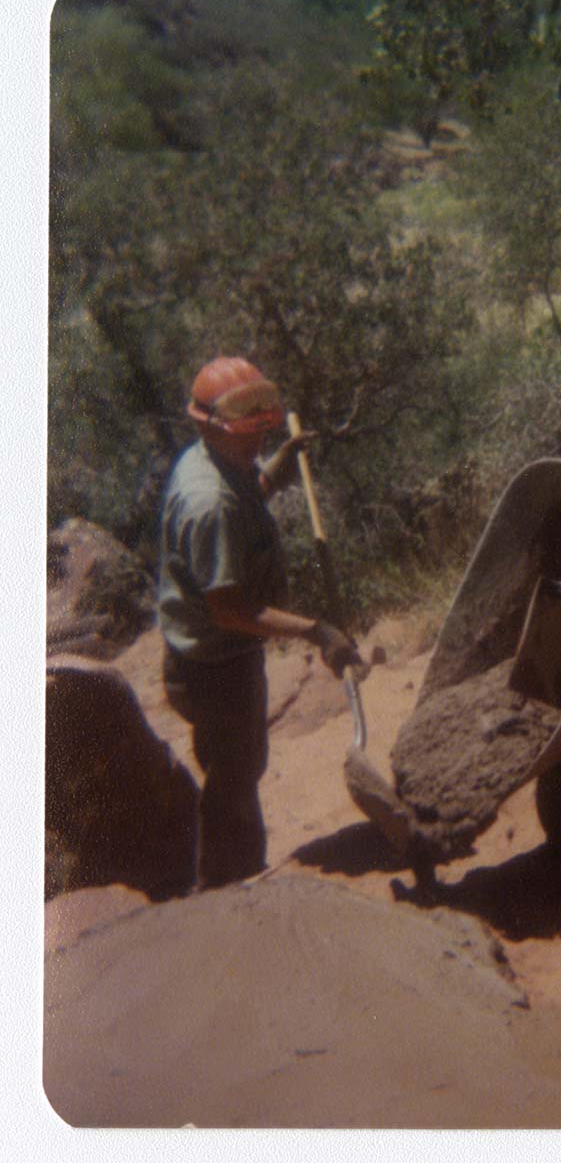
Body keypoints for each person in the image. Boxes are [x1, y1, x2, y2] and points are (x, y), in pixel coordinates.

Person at [158, 356, 362, 889]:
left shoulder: (219, 459)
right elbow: (230, 609)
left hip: (218, 655)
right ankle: (227, 892)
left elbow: (249, 495)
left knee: (238, 772)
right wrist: (316, 630)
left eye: (260, 437)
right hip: (215, 665)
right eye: (248, 439)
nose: (256, 447)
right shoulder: (209, 502)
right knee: (234, 781)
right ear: (208, 425)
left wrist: (280, 465)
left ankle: (235, 877)